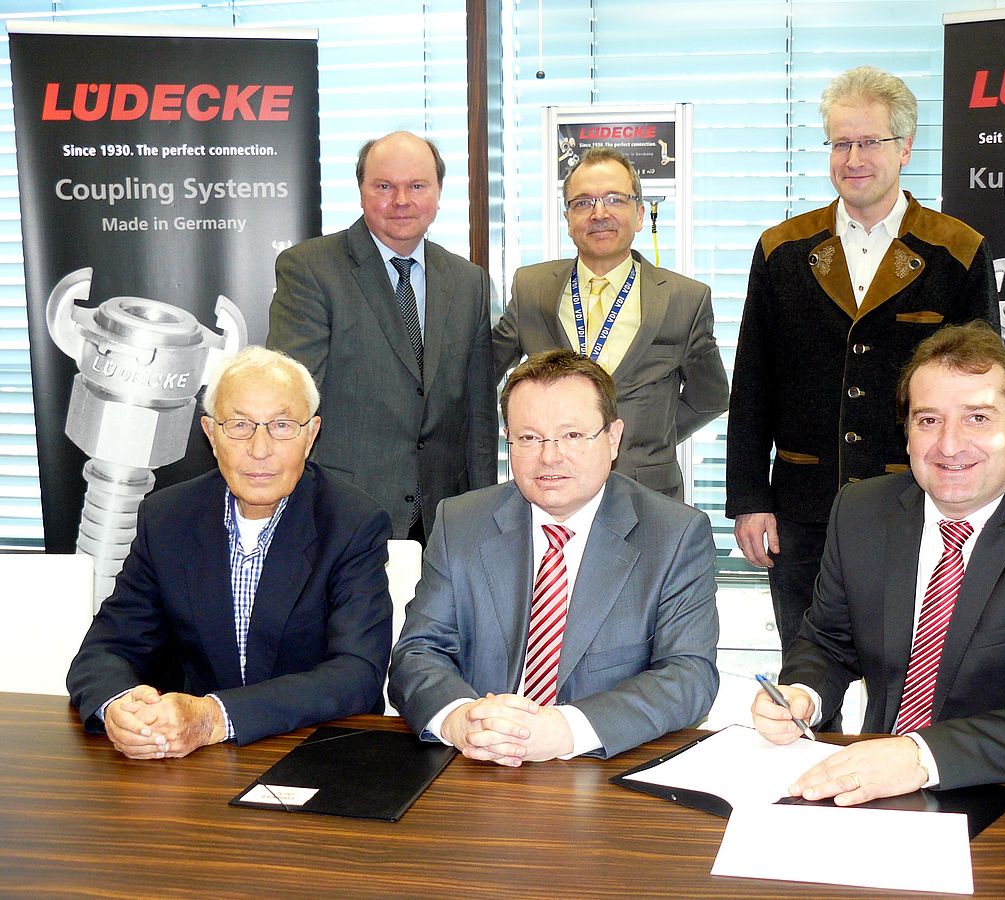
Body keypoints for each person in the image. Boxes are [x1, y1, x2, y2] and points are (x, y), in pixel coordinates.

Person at [751, 322, 1005, 803]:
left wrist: (919, 756)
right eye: (928, 420)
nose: (949, 445)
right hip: (878, 782)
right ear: (907, 434)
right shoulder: (861, 510)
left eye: (978, 418)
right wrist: (803, 694)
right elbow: (828, 640)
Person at [726, 66, 1000, 652]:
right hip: (802, 509)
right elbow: (752, 384)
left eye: (869, 142)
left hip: (918, 502)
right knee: (805, 670)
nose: (852, 159)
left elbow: (985, 393)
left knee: (909, 670)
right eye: (840, 143)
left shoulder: (957, 250)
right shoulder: (782, 249)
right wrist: (750, 500)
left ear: (905, 147)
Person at [389, 349, 719, 764]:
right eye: (529, 438)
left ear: (613, 438)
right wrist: (460, 719)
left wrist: (565, 729)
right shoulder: (460, 522)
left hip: (601, 768)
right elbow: (417, 653)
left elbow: (688, 675)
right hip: (478, 763)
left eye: (573, 435)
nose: (549, 456)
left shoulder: (674, 535)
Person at [67, 346, 392, 758]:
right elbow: (106, 649)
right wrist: (120, 706)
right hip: (193, 760)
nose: (260, 448)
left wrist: (215, 717)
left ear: (310, 435)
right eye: (239, 425)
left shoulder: (352, 523)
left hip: (318, 751)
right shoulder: (167, 519)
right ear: (211, 434)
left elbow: (357, 674)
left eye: (281, 426)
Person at [268, 130, 497, 543]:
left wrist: (482, 512)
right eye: (384, 186)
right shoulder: (310, 270)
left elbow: (479, 417)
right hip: (341, 512)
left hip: (444, 517)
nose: (402, 200)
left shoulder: (469, 282)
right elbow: (289, 400)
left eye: (417, 186)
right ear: (361, 192)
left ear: (439, 193)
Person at [493, 147, 728, 500]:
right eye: (583, 203)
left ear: (639, 214)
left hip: (646, 491)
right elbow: (482, 373)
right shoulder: (531, 288)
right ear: (568, 219)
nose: (599, 214)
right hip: (551, 486)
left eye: (615, 199)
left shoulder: (684, 299)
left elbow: (710, 397)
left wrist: (649, 437)